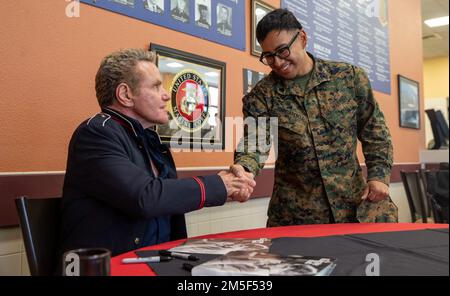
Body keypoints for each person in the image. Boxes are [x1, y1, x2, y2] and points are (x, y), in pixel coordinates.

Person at [59, 49, 255, 257]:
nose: (165, 94)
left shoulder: (152, 142)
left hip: (158, 262)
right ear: (125, 94)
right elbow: (145, 197)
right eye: (155, 86)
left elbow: (165, 201)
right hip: (107, 268)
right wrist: (221, 185)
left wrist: (230, 185)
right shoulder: (96, 132)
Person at [231, 9, 397, 226]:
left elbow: (375, 132)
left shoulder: (349, 78)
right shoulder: (263, 95)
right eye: (269, 56)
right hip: (297, 218)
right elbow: (254, 143)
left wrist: (378, 176)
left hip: (354, 209)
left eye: (282, 51)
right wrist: (243, 171)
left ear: (302, 38)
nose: (278, 62)